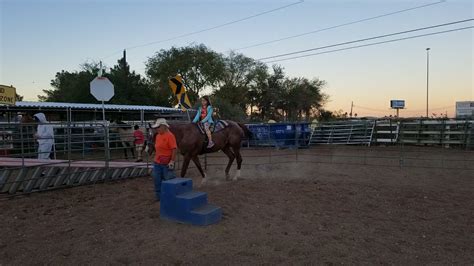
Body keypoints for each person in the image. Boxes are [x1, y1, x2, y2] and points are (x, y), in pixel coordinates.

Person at [151, 118, 177, 201]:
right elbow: (158, 148)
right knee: (156, 179)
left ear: (164, 126)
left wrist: (172, 161)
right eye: (156, 127)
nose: (157, 129)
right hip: (157, 161)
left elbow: (174, 149)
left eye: (158, 127)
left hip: (166, 162)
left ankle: (170, 196)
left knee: (168, 179)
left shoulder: (170, 136)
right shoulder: (158, 136)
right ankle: (159, 196)